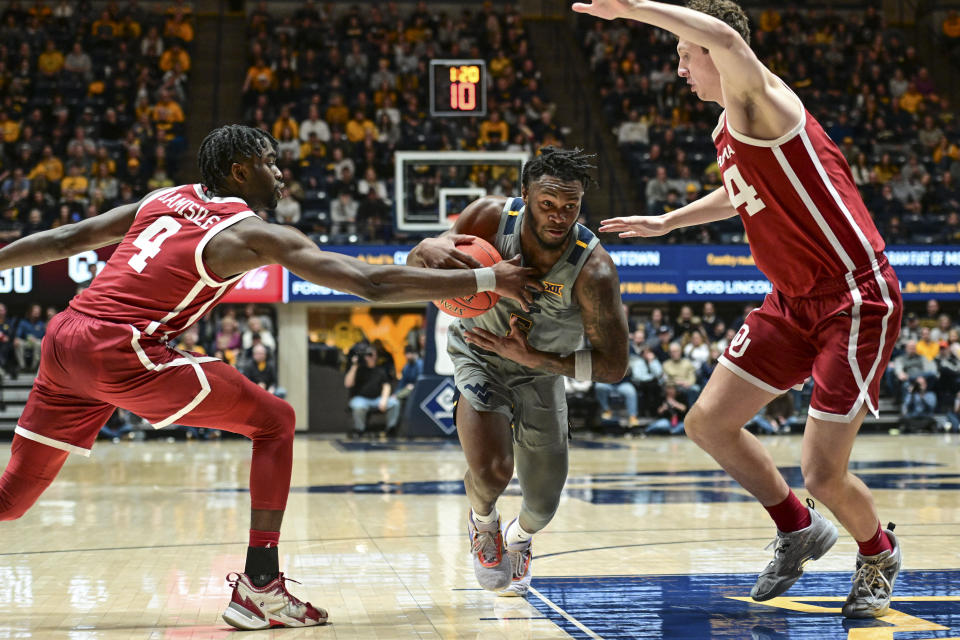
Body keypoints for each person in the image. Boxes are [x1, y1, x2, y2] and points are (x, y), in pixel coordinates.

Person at [0, 124, 539, 630]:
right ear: (239, 172)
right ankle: (260, 586)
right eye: (269, 162)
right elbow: (367, 283)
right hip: (122, 349)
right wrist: (490, 276)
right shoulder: (251, 234)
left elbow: (69, 236)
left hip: (65, 336)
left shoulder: (161, 198)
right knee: (276, 420)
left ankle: (261, 586)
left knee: (12, 500)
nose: (280, 173)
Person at [578, 0, 903, 619]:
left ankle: (878, 550)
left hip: (854, 298)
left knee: (823, 473)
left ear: (716, 52)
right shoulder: (729, 125)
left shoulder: (765, 99)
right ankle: (797, 528)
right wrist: (670, 221)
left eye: (684, 54)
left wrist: (633, 9)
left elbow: (724, 34)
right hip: (791, 302)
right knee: (707, 422)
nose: (680, 69)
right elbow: (742, 191)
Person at [407, 147, 629, 596]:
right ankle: (484, 523)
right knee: (492, 471)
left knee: (543, 504)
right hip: (479, 354)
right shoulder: (487, 219)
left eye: (571, 207)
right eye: (547, 204)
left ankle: (519, 538)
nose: (558, 217)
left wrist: (538, 360)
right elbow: (420, 271)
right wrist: (423, 248)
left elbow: (614, 366)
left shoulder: (595, 271)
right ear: (525, 194)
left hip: (541, 373)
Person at [344, 346, 400, 437]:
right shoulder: (358, 369)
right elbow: (348, 384)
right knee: (358, 405)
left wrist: (384, 399)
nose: (371, 357)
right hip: (361, 399)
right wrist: (354, 365)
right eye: (368, 355)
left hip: (377, 399)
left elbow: (386, 386)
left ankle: (391, 429)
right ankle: (359, 430)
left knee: (394, 403)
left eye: (372, 355)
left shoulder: (380, 370)